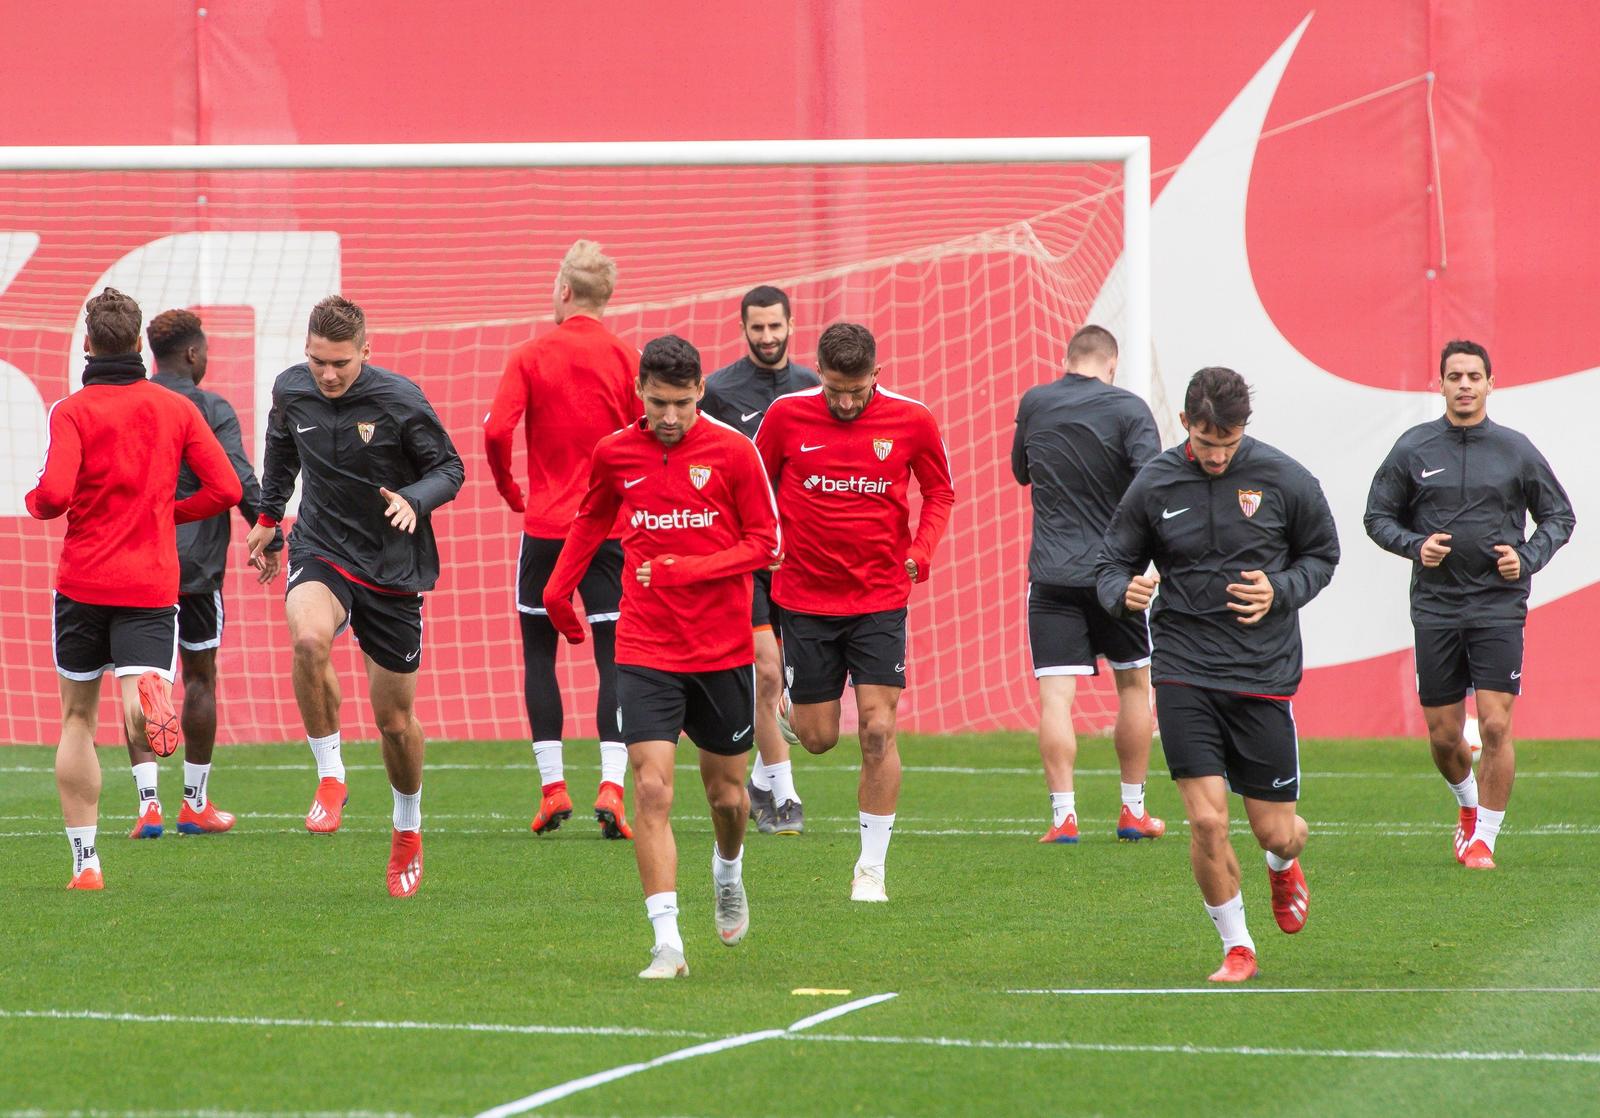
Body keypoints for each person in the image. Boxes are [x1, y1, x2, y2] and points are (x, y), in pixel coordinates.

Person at [543, 335, 780, 979]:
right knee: (649, 788)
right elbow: (591, 520)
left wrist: (689, 569)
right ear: (639, 394)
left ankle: (727, 871)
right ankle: (668, 943)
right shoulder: (615, 452)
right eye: (657, 403)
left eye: (680, 403)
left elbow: (766, 544)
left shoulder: (734, 452)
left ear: (700, 391)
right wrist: (558, 590)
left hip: (721, 648)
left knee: (727, 797)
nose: (669, 416)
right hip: (646, 645)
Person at [1095, 366, 1339, 982]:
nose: (1217, 456)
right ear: (1185, 424)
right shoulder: (1155, 482)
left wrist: (1280, 589)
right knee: (1206, 821)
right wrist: (1121, 591)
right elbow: (1111, 561)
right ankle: (1238, 947)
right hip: (1184, 668)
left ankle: (1282, 865)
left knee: (1276, 832)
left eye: (1229, 443)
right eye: (1206, 442)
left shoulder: (1285, 478)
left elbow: (1322, 556)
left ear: (1244, 428)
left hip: (1262, 673)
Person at [247, 296, 464, 898]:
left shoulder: (400, 399)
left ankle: (407, 828)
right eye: (317, 361)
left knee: (394, 723)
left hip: (393, 567)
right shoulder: (291, 390)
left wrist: (414, 499)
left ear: (365, 352)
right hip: (321, 547)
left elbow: (450, 469)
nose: (327, 374)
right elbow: (281, 454)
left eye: (340, 363)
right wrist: (268, 517)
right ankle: (330, 774)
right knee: (309, 640)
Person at [26, 287, 242, 890]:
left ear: (88, 343)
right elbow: (226, 488)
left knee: (76, 718)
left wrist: (34, 500)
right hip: (149, 582)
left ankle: (86, 864)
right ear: (137, 344)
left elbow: (53, 496)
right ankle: (147, 704)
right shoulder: (176, 409)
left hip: (84, 582)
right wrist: (167, 513)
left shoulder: (72, 410)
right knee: (139, 690)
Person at [754, 322, 955, 901]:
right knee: (818, 738)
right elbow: (752, 484)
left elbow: (940, 491)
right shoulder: (786, 416)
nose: (845, 403)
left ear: (877, 375)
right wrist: (765, 541)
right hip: (805, 597)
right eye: (835, 391)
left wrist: (922, 550)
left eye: (857, 391)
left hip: (880, 598)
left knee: (877, 730)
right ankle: (791, 707)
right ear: (818, 372)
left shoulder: (912, 419)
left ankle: (871, 869)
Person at [1364, 339, 1574, 871]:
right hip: (1435, 607)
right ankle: (1466, 805)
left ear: (1490, 384)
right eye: (1454, 376)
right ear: (1439, 384)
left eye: (1473, 377)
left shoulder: (1515, 449)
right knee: (1444, 736)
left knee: (1496, 726)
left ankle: (1484, 840)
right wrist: (1415, 546)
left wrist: (1527, 558)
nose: (1464, 385)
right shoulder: (1413, 448)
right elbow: (1377, 517)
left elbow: (1559, 517)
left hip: (1498, 605)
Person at [484, 240, 641, 840]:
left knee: (538, 654)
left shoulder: (531, 354)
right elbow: (650, 433)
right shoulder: (627, 358)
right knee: (615, 657)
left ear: (566, 291)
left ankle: (553, 790)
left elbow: (497, 431)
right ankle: (612, 788)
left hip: (547, 527)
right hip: (612, 530)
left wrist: (510, 490)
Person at [121, 309, 284, 840]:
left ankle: (148, 806)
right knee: (199, 678)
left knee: (142, 678)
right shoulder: (210, 408)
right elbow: (237, 476)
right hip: (196, 571)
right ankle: (194, 803)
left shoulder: (132, 403)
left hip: (137, 561)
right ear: (193, 354)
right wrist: (268, 532)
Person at [1011, 324, 1165, 844]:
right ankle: (1133, 811)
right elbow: (1153, 487)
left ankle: (1063, 818)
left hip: (1052, 574)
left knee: (1056, 698)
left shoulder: (1036, 402)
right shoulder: (1129, 409)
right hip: (1116, 575)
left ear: (1068, 359)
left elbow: (1021, 472)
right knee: (1134, 686)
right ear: (1112, 364)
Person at [702, 285, 820, 836]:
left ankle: (760, 781)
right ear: (743, 328)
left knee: (798, 686)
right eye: (758, 328)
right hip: (746, 559)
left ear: (791, 325)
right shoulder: (718, 392)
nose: (767, 337)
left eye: (776, 326)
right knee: (766, 671)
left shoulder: (813, 388)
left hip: (802, 560)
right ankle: (785, 797)